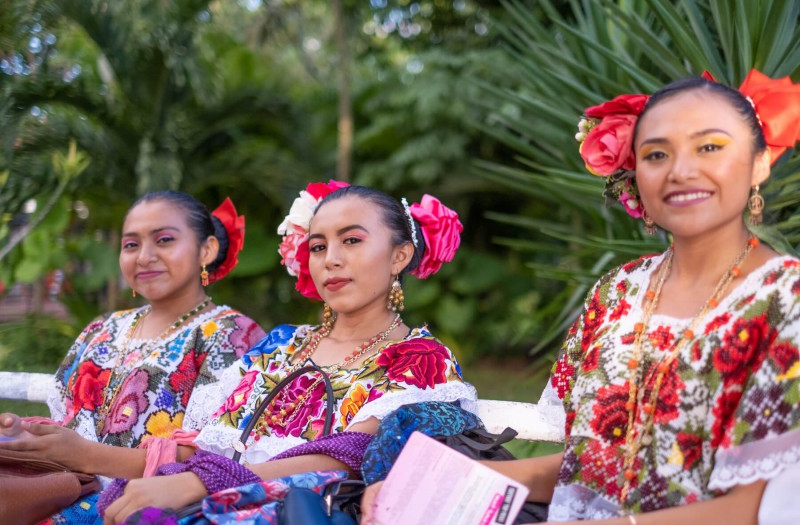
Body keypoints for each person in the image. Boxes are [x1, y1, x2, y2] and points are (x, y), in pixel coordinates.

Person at [360, 70, 800, 524]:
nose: (681, 170)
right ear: (636, 175)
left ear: (760, 161)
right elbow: (593, 467)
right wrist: (449, 481)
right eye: (656, 153)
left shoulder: (786, 300)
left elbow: (756, 510)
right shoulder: (619, 291)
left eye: (710, 147)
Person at [97, 181, 478, 523]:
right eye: (318, 246)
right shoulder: (281, 344)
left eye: (352, 240)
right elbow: (213, 442)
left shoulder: (419, 358)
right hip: (208, 502)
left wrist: (202, 482)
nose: (330, 259)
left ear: (399, 256)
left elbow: (346, 457)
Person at [0, 191, 266, 520]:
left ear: (207, 250)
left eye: (164, 240)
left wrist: (86, 455)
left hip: (143, 507)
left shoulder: (233, 334)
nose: (144, 257)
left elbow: (216, 460)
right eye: (131, 245)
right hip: (58, 488)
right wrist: (26, 436)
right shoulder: (104, 327)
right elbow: (65, 420)